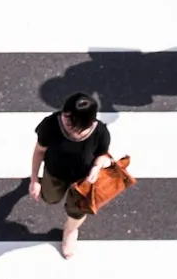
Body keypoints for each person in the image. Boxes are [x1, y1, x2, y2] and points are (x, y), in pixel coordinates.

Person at [28, 90, 113, 259]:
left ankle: (70, 232)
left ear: (86, 122)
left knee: (77, 211)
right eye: (65, 115)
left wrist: (96, 167)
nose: (64, 120)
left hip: (83, 181)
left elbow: (103, 154)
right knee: (50, 198)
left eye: (70, 119)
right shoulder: (52, 124)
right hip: (55, 173)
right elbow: (39, 151)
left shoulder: (100, 132)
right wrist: (34, 179)